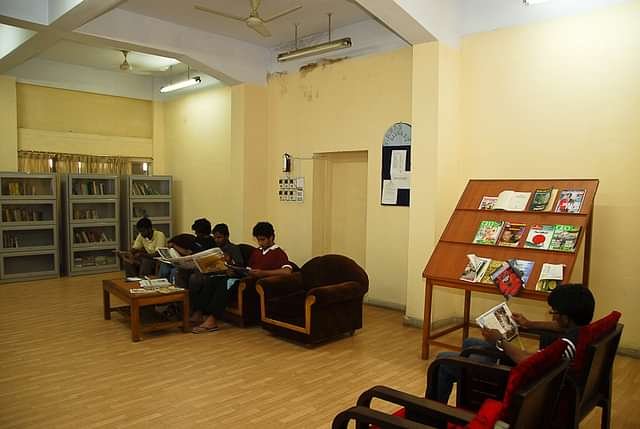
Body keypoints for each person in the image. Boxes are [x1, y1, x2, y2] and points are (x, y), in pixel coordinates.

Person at [426, 284, 595, 403]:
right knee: (470, 343)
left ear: (565, 318)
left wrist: (500, 340)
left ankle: (432, 417)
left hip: (524, 385)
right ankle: (467, 398)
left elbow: (530, 362)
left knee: (442, 362)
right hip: (540, 378)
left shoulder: (566, 345)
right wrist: (529, 324)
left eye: (554, 312)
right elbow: (559, 327)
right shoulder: (582, 332)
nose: (553, 316)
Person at [190, 223, 244, 333]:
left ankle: (213, 320)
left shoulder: (234, 248)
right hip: (219, 274)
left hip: (232, 277)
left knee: (223, 284)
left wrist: (229, 262)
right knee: (209, 281)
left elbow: (240, 266)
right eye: (215, 237)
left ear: (227, 236)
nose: (216, 240)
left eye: (219, 237)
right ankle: (199, 312)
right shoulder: (216, 249)